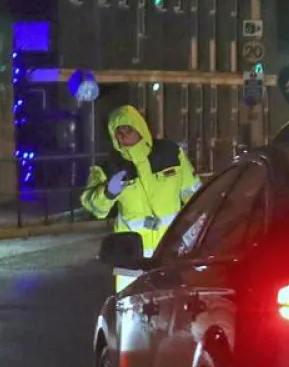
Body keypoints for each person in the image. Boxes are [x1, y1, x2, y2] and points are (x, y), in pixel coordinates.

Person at [82, 104, 201, 291]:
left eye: (128, 129)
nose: (123, 136)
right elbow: (93, 206)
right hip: (131, 257)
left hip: (170, 250)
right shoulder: (108, 167)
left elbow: (193, 194)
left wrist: (200, 228)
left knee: (171, 306)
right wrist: (108, 192)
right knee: (129, 309)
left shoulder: (170, 153)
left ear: (140, 128)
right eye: (117, 132)